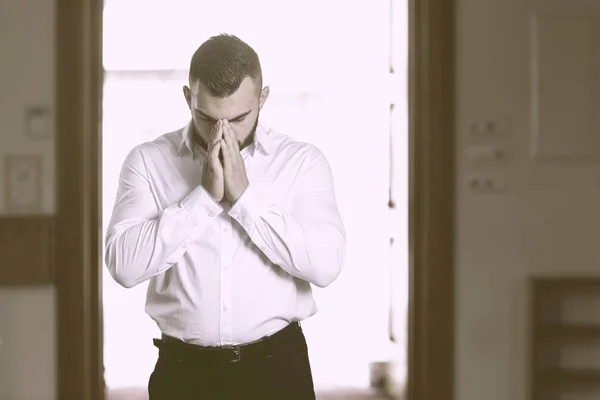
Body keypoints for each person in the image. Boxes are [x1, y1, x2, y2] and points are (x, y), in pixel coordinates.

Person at [104, 33, 346, 399]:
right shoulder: (147, 162)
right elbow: (124, 266)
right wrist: (202, 199)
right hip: (182, 373)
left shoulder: (301, 162)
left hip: (277, 369)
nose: (222, 132)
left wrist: (245, 199)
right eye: (207, 117)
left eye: (237, 118)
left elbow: (326, 266)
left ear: (262, 98)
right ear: (189, 98)